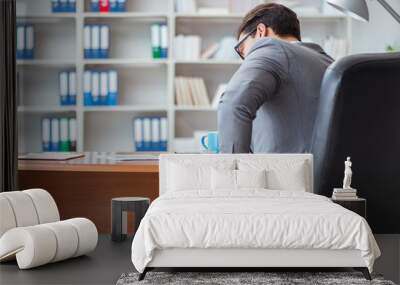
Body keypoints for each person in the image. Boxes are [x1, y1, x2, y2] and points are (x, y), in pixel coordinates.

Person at [218, 3, 333, 153]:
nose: (245, 59)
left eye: (242, 49)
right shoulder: (329, 62)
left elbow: (232, 103)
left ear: (260, 31)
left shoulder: (270, 49)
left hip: (286, 174)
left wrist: (234, 171)